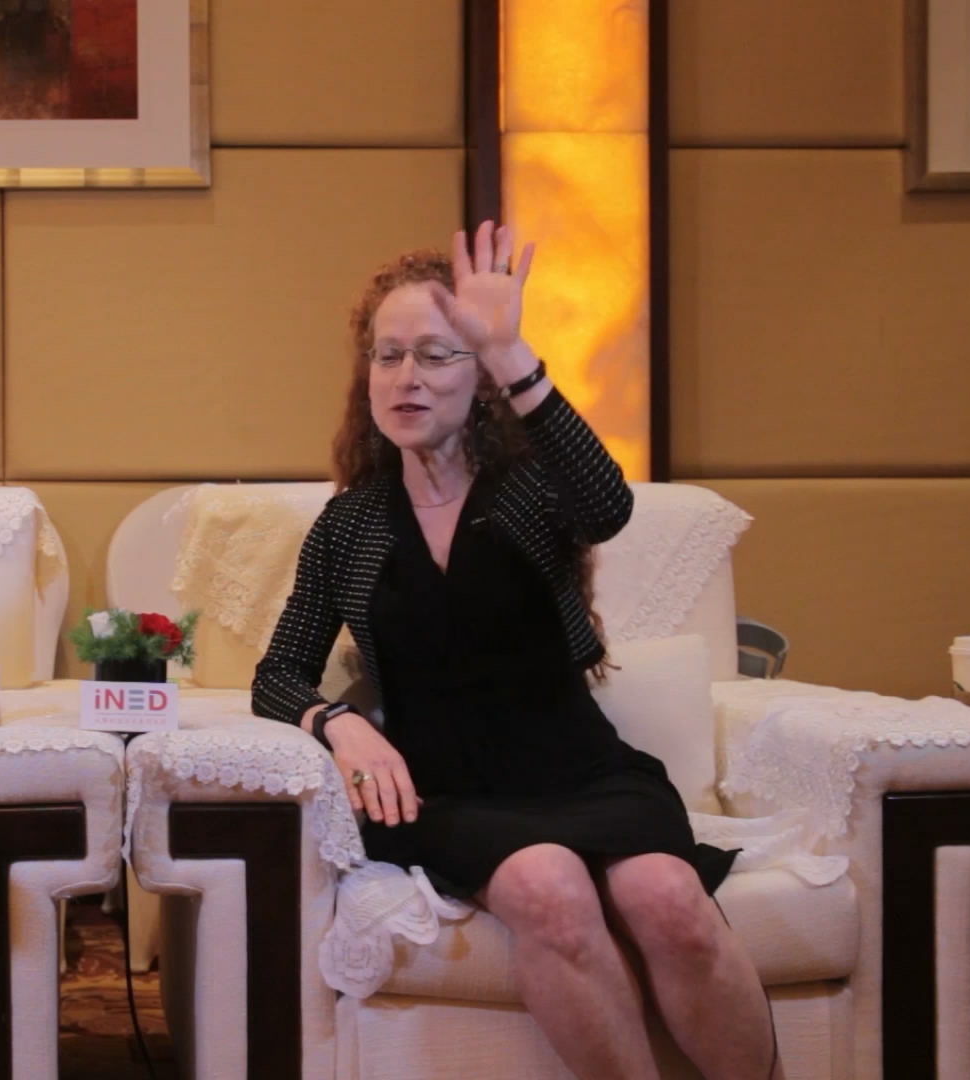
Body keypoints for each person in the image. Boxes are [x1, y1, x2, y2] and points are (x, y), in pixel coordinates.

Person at [252, 223, 779, 1079]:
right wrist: (338, 724)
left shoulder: (530, 491)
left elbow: (607, 506)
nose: (407, 377)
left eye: (438, 355)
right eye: (388, 356)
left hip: (584, 772)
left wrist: (511, 350)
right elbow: (278, 674)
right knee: (547, 885)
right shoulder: (350, 525)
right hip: (446, 794)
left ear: (481, 382)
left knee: (668, 897)